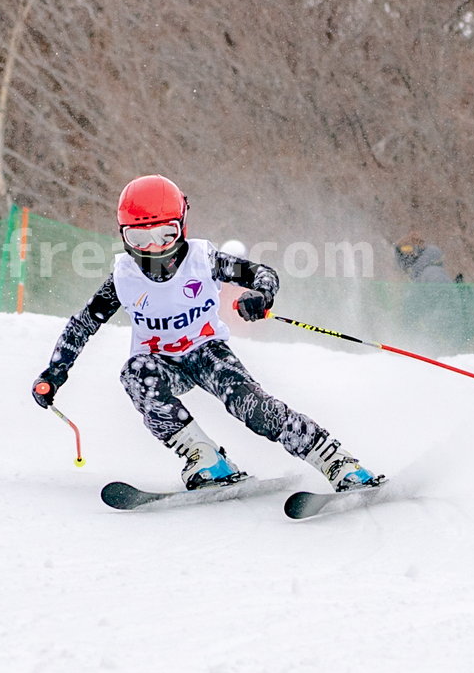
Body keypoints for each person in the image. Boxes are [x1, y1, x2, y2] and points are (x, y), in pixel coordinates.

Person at [32, 175, 383, 493]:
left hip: (207, 353)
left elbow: (262, 273)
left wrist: (259, 295)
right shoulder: (123, 278)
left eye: (164, 234)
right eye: (138, 237)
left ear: (181, 226)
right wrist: (54, 373)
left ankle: (338, 462)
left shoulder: (204, 259)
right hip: (161, 363)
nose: (153, 248)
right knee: (135, 373)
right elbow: (82, 324)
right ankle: (206, 459)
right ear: (123, 235)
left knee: (252, 408)